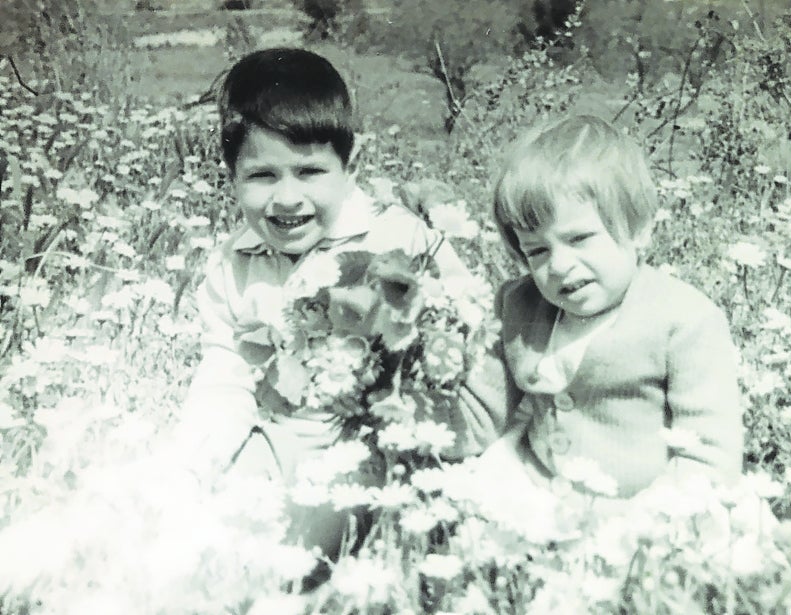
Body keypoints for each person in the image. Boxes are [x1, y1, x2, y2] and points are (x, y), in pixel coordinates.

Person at [178, 47, 510, 561]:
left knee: (286, 559)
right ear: (231, 177)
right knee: (187, 526)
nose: (287, 198)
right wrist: (191, 467)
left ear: (351, 168)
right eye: (262, 176)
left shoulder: (400, 240)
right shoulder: (233, 264)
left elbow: (469, 341)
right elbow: (226, 378)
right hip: (278, 448)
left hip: (384, 457)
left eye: (310, 172)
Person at [480, 113, 743, 525]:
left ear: (639, 229)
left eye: (579, 238)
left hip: (646, 506)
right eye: (537, 251)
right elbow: (486, 409)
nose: (560, 265)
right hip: (539, 485)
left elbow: (709, 453)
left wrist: (646, 523)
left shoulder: (685, 320)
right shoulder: (520, 304)